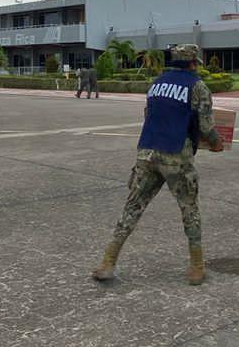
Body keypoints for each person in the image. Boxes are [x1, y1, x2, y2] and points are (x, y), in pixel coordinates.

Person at [93, 44, 223, 286]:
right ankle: (196, 266)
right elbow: (206, 126)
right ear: (193, 63)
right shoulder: (198, 86)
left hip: (147, 152)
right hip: (175, 156)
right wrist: (217, 143)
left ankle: (108, 261)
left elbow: (148, 114)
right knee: (189, 209)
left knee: (132, 207)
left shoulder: (156, 84)